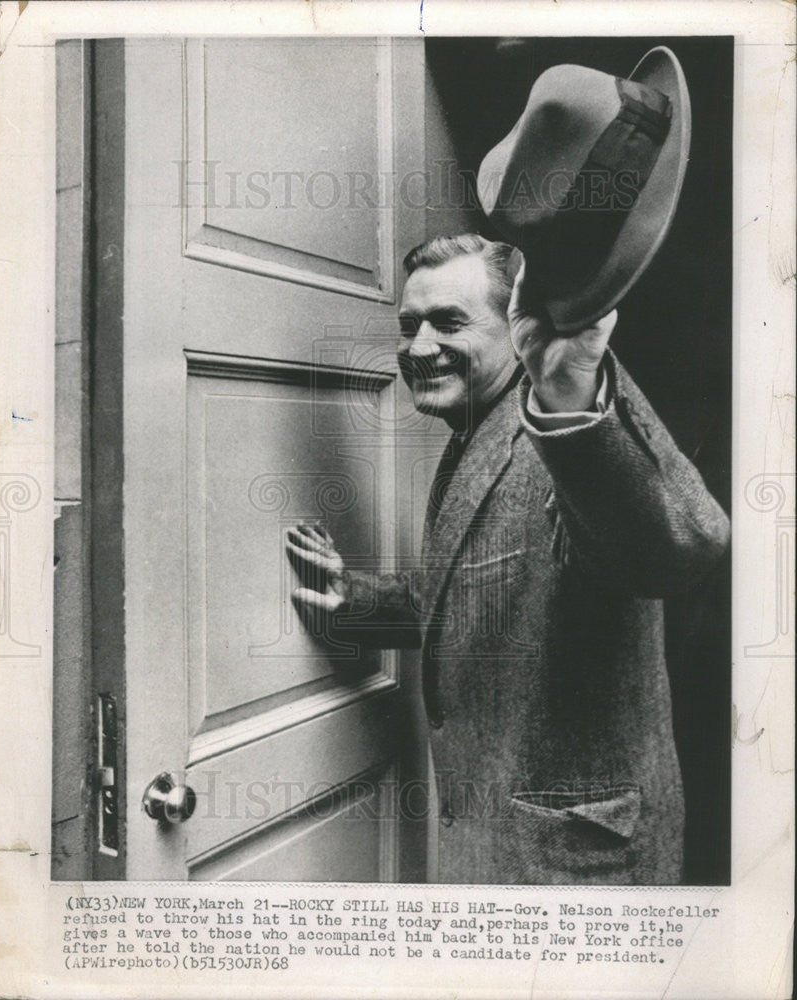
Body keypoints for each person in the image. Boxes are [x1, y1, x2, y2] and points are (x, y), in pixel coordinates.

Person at [286, 49, 730, 884]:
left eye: (448, 322)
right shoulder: (474, 430)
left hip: (578, 878)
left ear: (514, 322)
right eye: (409, 324)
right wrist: (359, 600)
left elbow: (684, 549)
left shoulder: (570, 415)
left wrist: (569, 400)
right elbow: (480, 588)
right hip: (497, 860)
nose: (417, 349)